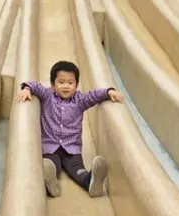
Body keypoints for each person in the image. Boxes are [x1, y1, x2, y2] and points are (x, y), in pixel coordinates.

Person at [15, 60, 125, 198]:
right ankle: (51, 182)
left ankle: (91, 180)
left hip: (72, 148)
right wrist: (27, 89)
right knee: (50, 166)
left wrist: (109, 92)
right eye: (61, 82)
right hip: (50, 147)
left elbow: (94, 95)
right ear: (53, 84)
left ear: (76, 85)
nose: (66, 86)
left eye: (70, 82)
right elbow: (36, 86)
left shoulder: (80, 99)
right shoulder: (47, 96)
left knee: (77, 170)